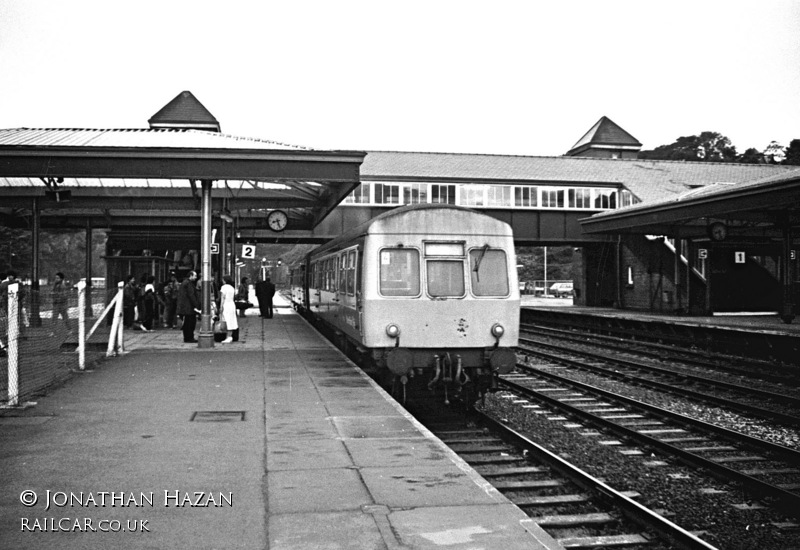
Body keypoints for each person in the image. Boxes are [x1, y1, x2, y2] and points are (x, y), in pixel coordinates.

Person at [176, 270, 200, 343]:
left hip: (186, 307)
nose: (196, 277)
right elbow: (191, 295)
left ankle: (188, 337)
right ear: (191, 275)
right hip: (188, 307)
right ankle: (189, 337)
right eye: (195, 276)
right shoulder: (188, 284)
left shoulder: (185, 283)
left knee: (188, 323)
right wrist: (196, 305)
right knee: (190, 323)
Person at [218, 275, 239, 343]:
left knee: (225, 320)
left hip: (226, 305)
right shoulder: (232, 288)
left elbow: (222, 298)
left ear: (225, 280)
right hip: (232, 304)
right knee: (231, 320)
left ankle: (228, 336)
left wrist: (221, 307)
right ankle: (230, 336)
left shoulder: (223, 287)